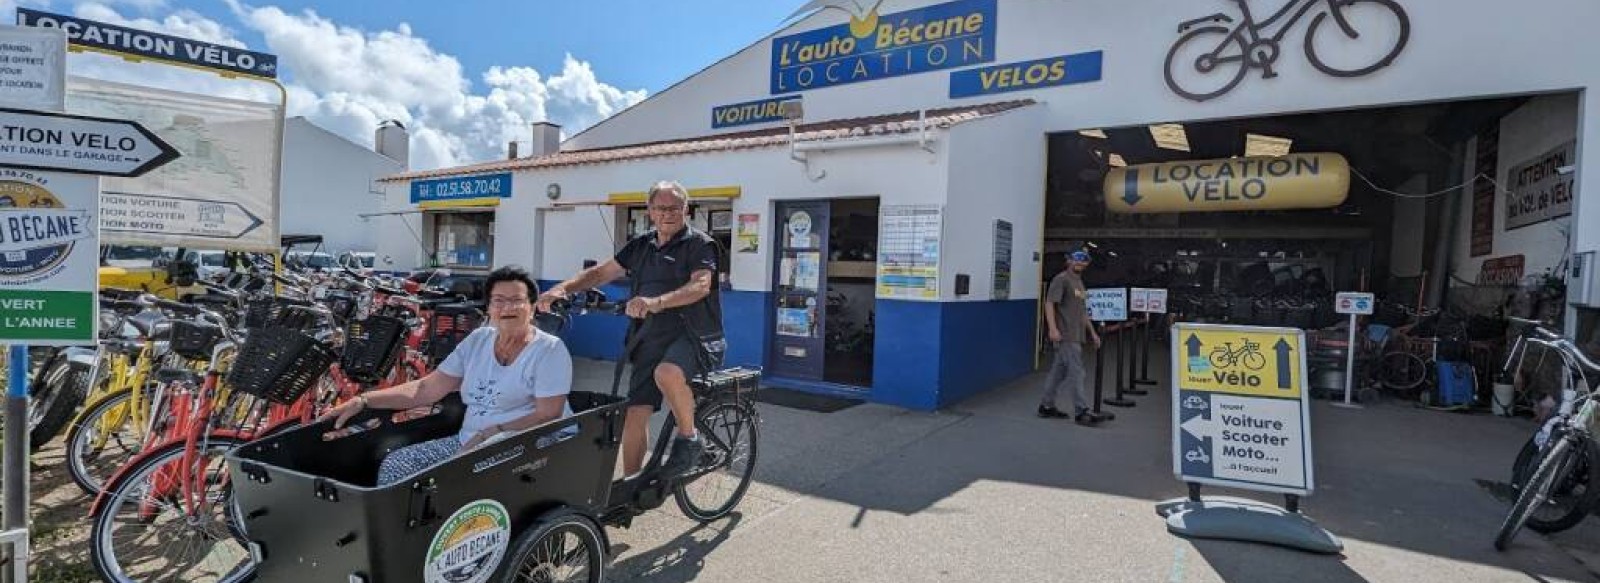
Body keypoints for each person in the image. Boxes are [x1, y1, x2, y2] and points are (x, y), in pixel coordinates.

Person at [319, 265, 575, 485]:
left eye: (517, 300)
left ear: (531, 307)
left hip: (525, 446)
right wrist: (364, 400)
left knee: (452, 483)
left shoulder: (548, 349)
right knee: (398, 464)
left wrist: (491, 433)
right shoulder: (479, 340)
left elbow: (548, 414)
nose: (507, 307)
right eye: (499, 300)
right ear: (489, 307)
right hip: (469, 443)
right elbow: (427, 388)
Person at [537, 180, 723, 480]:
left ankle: (689, 440)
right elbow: (600, 273)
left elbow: (701, 285)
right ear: (650, 211)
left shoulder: (700, 244)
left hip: (694, 336)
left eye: (675, 207)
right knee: (634, 415)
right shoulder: (642, 245)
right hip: (648, 336)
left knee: (667, 373)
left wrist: (657, 302)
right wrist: (562, 289)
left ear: (686, 210)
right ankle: (631, 486)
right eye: (661, 208)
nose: (668, 213)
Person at [1039, 249, 1102, 425]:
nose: (1080, 262)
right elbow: (1050, 303)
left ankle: (1046, 405)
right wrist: (1052, 329)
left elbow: (1082, 312)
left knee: (1058, 372)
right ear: (1068, 260)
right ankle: (1081, 411)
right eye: (1077, 259)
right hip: (1065, 334)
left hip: (1077, 334)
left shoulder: (1079, 283)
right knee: (1077, 372)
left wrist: (1092, 333)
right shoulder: (1061, 279)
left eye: (1084, 260)